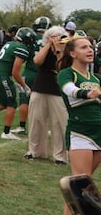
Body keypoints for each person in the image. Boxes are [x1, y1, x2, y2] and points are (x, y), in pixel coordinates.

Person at [57, 35, 101, 215]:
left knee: (84, 179)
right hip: (81, 132)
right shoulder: (67, 73)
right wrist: (86, 95)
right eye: (84, 47)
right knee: (81, 182)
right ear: (73, 53)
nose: (90, 50)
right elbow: (69, 91)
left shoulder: (95, 78)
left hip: (99, 133)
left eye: (91, 47)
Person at [26, 24, 68, 163]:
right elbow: (37, 61)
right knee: (36, 120)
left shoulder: (66, 51)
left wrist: (58, 49)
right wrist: (49, 44)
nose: (57, 39)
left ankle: (60, 156)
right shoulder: (44, 48)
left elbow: (61, 67)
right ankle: (35, 151)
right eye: (53, 36)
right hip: (40, 87)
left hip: (58, 91)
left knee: (59, 124)